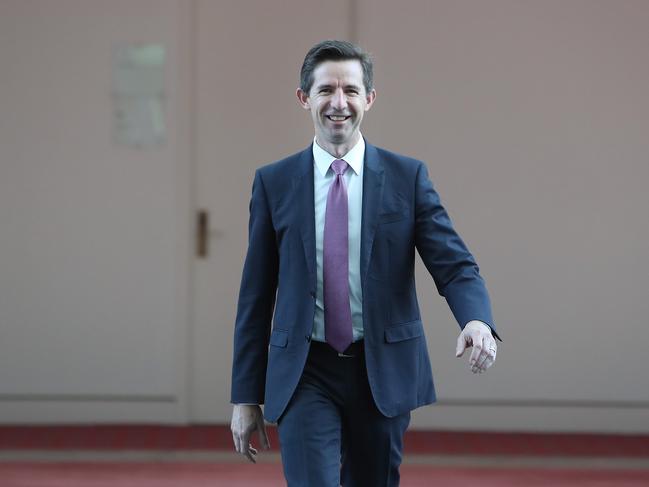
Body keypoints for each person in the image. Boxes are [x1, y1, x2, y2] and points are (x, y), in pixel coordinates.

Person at [230, 39, 501, 486]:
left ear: (369, 99)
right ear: (304, 99)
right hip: (305, 370)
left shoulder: (406, 178)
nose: (339, 103)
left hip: (381, 368)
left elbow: (454, 265)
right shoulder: (274, 183)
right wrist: (245, 396)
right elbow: (255, 296)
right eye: (325, 90)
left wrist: (476, 320)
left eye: (351, 91)